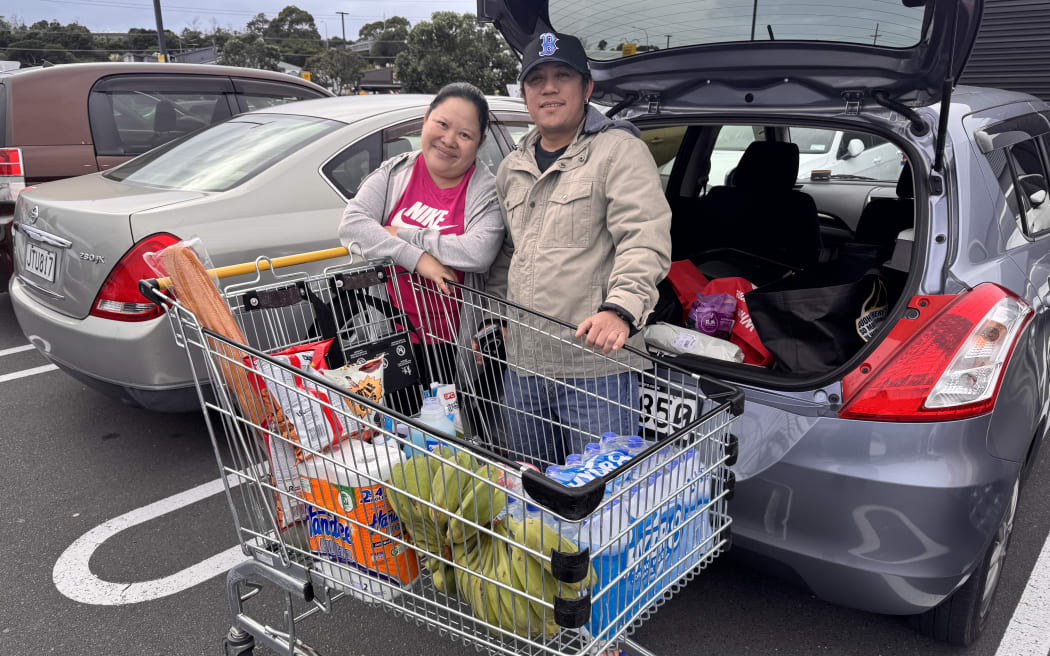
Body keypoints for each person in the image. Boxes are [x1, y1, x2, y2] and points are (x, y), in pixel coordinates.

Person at [486, 32, 672, 465]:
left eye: (562, 75)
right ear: (525, 93)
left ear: (586, 88)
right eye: (536, 79)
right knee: (530, 501)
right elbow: (507, 254)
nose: (548, 88)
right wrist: (497, 321)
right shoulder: (512, 166)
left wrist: (620, 309)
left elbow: (644, 239)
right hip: (523, 368)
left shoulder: (618, 152)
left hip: (596, 372)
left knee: (600, 508)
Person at [338, 82, 505, 416]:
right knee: (393, 439)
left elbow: (477, 251)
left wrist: (402, 233)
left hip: (451, 344)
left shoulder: (485, 189)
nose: (448, 140)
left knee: (448, 440)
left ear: (480, 143)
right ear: (426, 118)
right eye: (442, 124)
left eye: (464, 135)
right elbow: (353, 226)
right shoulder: (396, 172)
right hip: (391, 334)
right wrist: (418, 261)